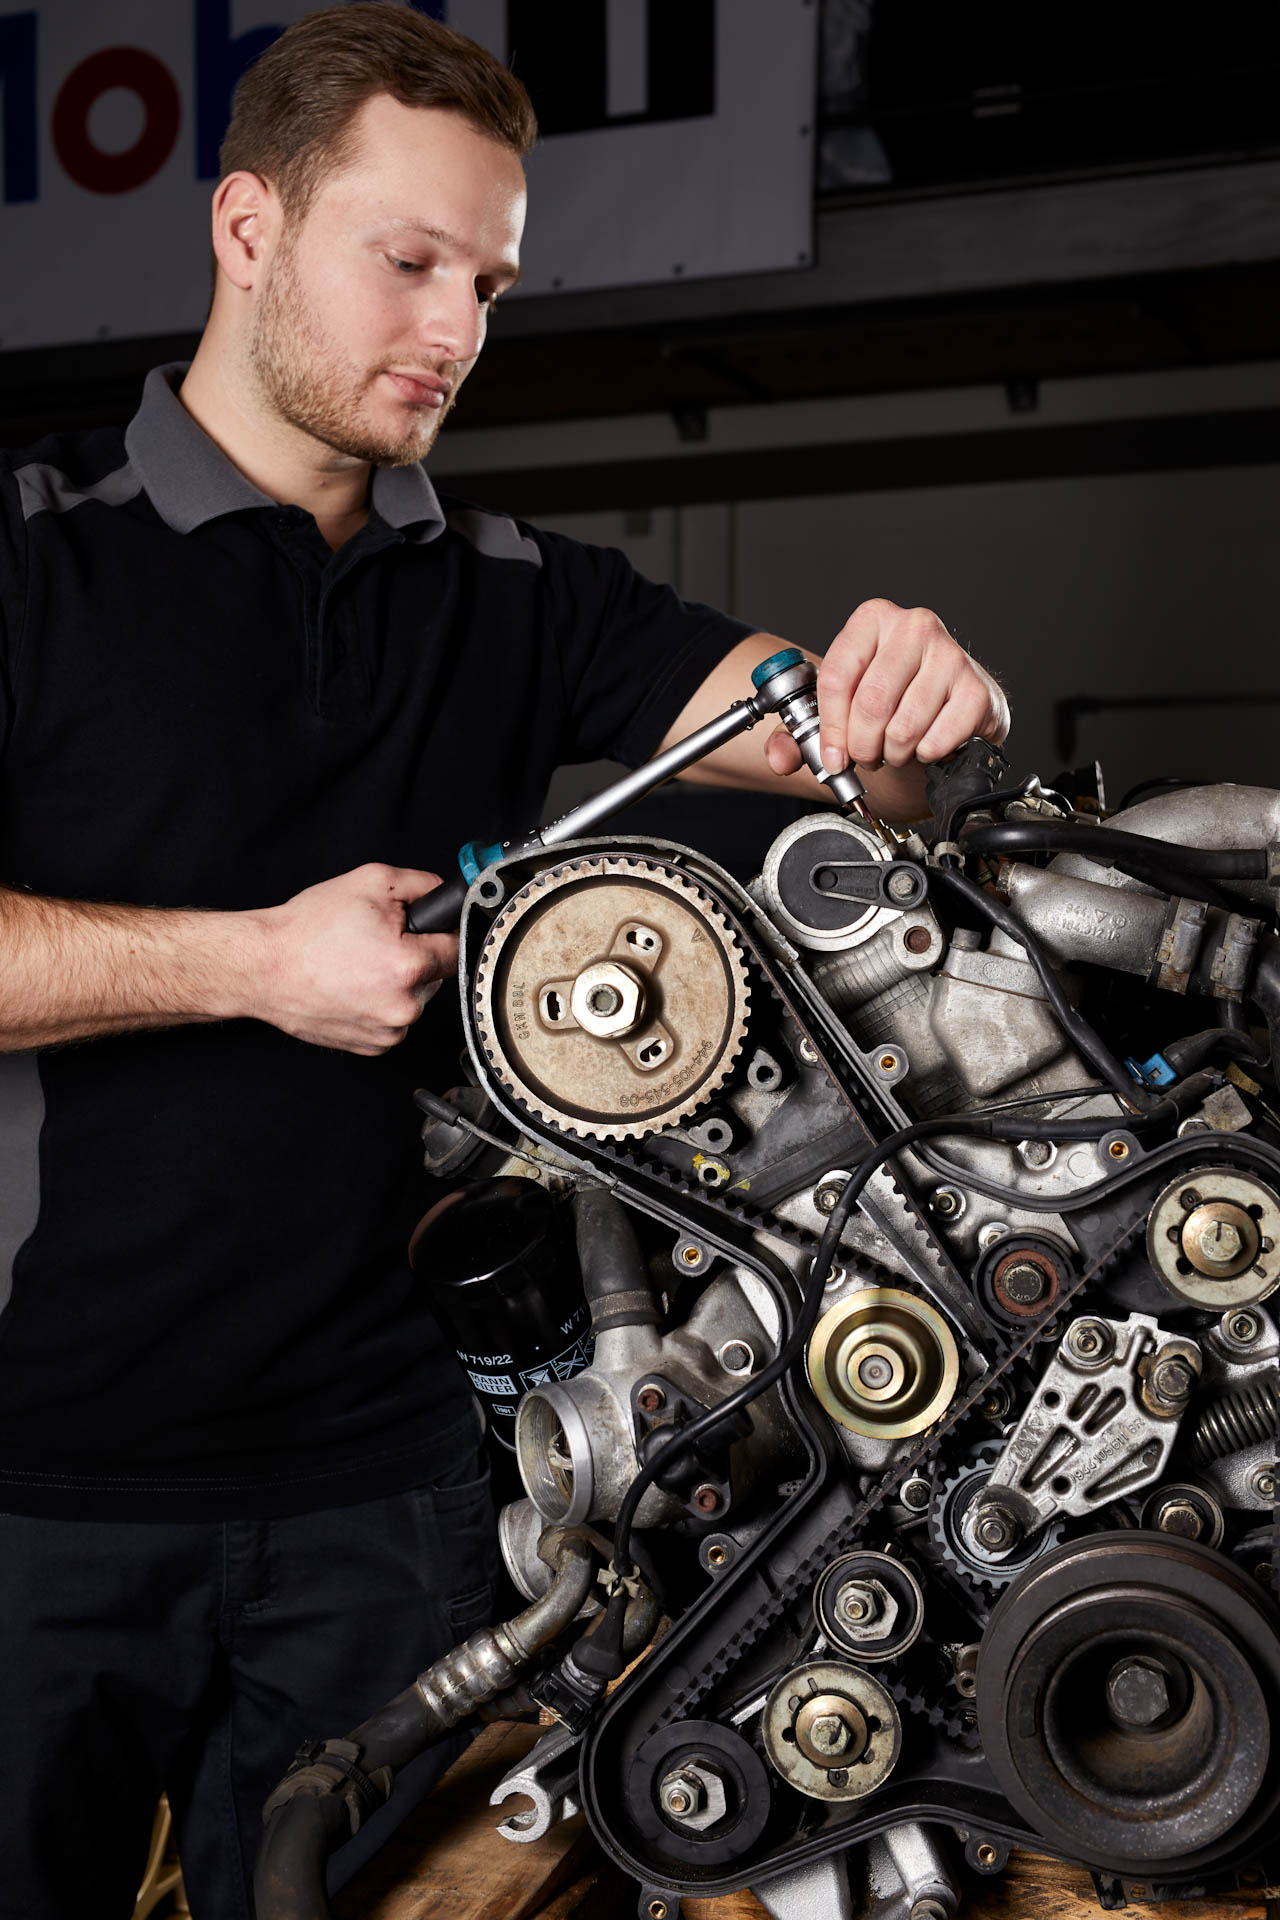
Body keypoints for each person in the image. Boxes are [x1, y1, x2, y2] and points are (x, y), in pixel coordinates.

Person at [0, 7, 1008, 1917]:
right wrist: (251, 966)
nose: (457, 332)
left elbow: (815, 742)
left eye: (489, 282)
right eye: (408, 262)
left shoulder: (524, 594)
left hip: (385, 1499)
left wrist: (905, 707)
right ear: (244, 228)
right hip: (32, 1489)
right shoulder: (34, 562)